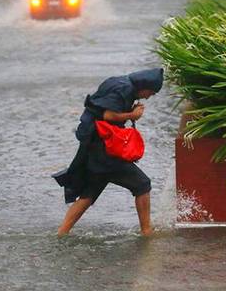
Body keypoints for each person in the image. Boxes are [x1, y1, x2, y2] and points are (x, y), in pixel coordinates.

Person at [53, 68, 164, 236]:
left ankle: (62, 233)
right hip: (105, 150)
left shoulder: (119, 82)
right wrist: (132, 115)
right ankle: (147, 231)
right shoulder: (124, 89)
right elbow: (108, 115)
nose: (149, 96)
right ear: (145, 86)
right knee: (142, 184)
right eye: (151, 92)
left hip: (94, 147)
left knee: (89, 194)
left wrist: (128, 110)